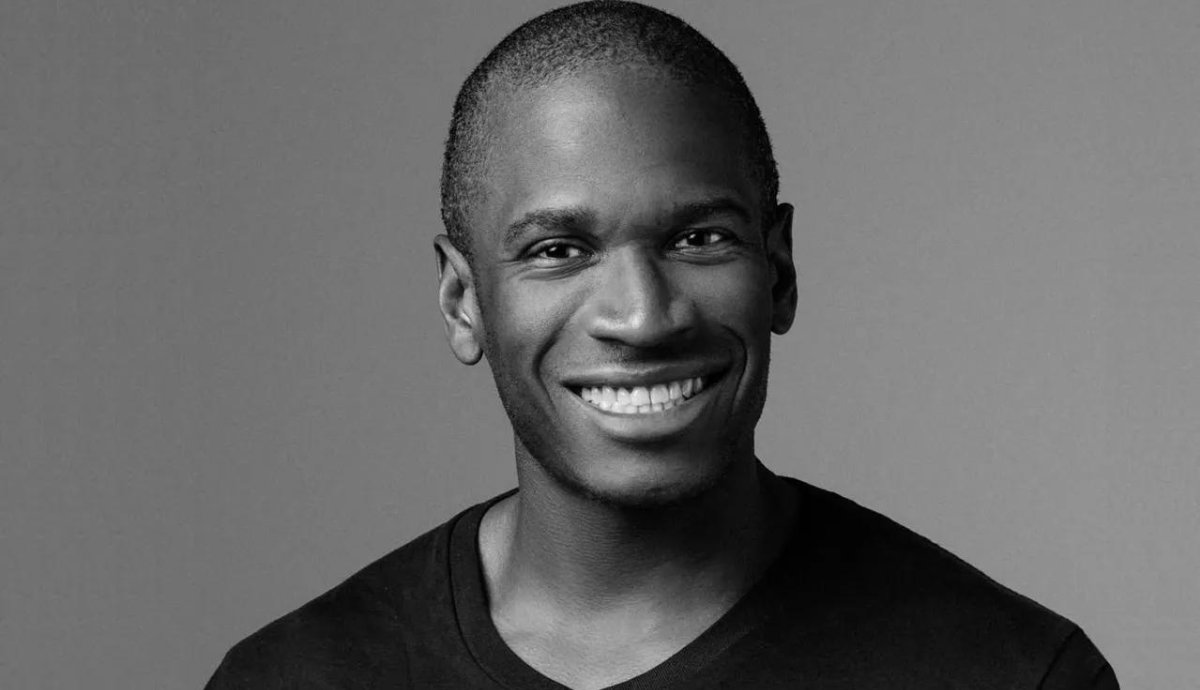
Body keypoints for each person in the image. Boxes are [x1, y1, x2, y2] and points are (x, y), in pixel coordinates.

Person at [205, 2, 1117, 687]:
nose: (642, 318)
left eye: (698, 239)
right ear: (462, 299)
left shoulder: (1008, 672)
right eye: (558, 251)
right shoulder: (296, 678)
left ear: (778, 270)